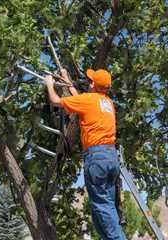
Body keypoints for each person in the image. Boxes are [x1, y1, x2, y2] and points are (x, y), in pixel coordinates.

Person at [44, 69, 126, 240]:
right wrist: (67, 80)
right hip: (110, 157)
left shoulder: (88, 100)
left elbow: (55, 100)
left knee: (102, 207)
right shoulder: (107, 103)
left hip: (97, 158)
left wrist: (49, 85)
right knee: (104, 208)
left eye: (90, 81)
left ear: (94, 85)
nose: (88, 83)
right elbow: (80, 100)